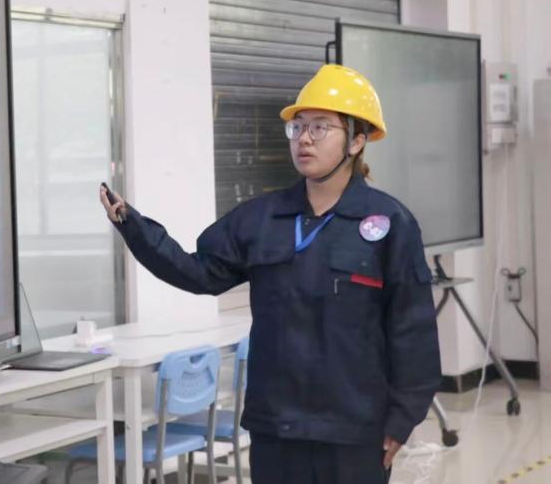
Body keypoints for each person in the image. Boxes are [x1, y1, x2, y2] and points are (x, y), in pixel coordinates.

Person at [100, 64, 440, 484]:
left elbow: (412, 328)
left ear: (357, 140)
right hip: (276, 426)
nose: (304, 139)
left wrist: (403, 417)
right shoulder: (262, 218)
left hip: (353, 430)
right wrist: (134, 227)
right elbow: (198, 273)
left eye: (320, 127)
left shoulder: (389, 223)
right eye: (297, 127)